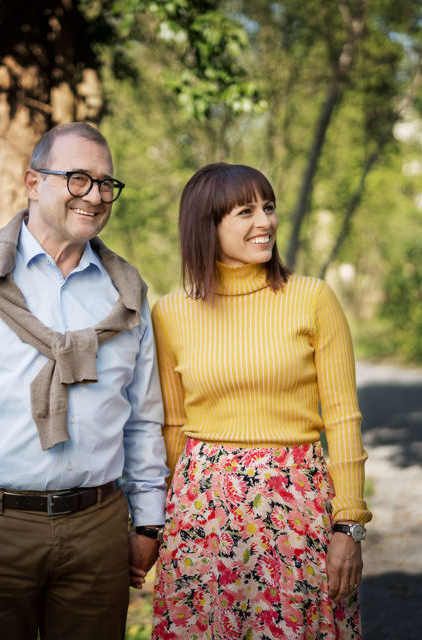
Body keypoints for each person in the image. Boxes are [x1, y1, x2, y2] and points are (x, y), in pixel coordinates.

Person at [0, 122, 168, 640]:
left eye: (107, 183)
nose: (96, 196)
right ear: (33, 183)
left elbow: (144, 418)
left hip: (97, 529)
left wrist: (148, 521)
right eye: (79, 179)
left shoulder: (126, 297)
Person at [149, 163, 371, 639]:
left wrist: (348, 524)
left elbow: (343, 417)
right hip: (200, 513)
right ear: (207, 225)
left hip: (297, 510)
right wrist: (156, 523)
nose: (265, 222)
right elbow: (172, 425)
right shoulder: (170, 313)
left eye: (268, 208)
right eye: (245, 211)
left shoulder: (312, 298)